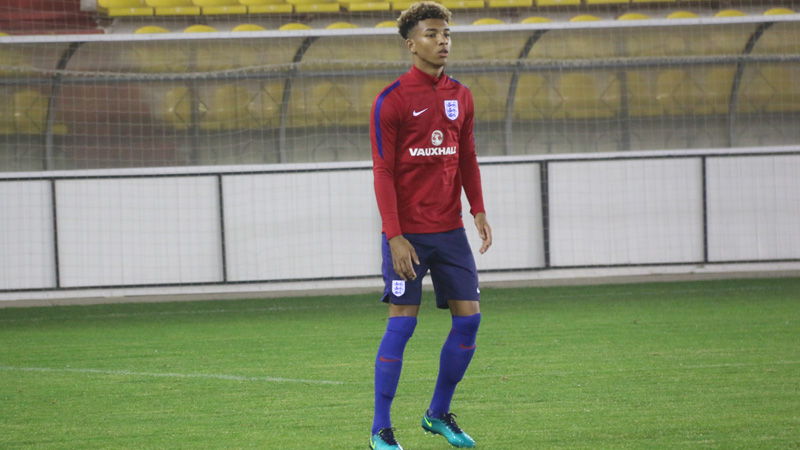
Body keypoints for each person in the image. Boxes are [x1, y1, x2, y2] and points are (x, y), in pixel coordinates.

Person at [368, 2, 493, 449]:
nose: (443, 41)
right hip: (408, 234)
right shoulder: (392, 99)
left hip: (450, 231)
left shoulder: (461, 96)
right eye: (432, 34)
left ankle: (437, 413)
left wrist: (477, 208)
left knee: (470, 321)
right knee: (402, 323)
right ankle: (381, 429)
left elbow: (467, 157)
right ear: (411, 44)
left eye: (446, 34)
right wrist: (395, 235)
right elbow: (382, 171)